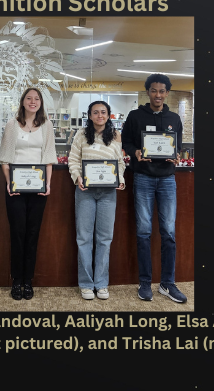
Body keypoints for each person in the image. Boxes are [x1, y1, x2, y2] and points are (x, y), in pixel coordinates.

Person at [121, 73, 188, 303]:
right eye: (153, 90)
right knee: (143, 232)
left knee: (169, 233)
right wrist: (136, 152)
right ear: (147, 91)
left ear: (167, 93)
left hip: (168, 180)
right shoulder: (135, 116)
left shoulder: (174, 118)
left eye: (162, 91)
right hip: (143, 178)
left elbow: (176, 146)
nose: (158, 95)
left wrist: (176, 156)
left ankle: (167, 283)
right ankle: (145, 282)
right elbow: (126, 142)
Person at [0, 87, 57, 300]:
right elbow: (5, 158)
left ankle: (28, 281)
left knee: (33, 233)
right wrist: (9, 183)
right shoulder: (12, 125)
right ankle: (16, 280)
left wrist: (48, 184)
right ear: (22, 102)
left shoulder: (47, 125)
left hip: (38, 188)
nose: (33, 102)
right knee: (17, 233)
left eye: (37, 99)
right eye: (29, 98)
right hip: (16, 188)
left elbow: (48, 157)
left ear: (41, 103)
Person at [68, 101, 125, 300]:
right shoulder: (81, 135)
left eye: (103, 112)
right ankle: (85, 283)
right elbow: (73, 159)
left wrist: (120, 179)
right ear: (90, 115)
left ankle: (101, 283)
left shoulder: (116, 136)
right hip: (85, 192)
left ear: (109, 115)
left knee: (104, 238)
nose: (99, 115)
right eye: (95, 112)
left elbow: (119, 162)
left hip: (108, 193)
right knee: (84, 238)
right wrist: (77, 177)